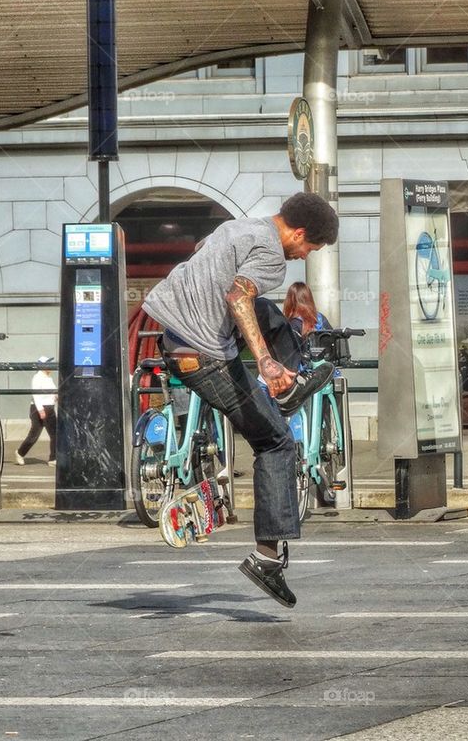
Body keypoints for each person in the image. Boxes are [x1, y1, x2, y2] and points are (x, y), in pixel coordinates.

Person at [143, 192, 338, 608]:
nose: (303, 257)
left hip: (176, 342)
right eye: (309, 248)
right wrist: (265, 362)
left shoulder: (238, 228)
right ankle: (267, 558)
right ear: (299, 232)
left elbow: (202, 256)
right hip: (205, 358)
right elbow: (236, 296)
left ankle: (291, 386)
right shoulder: (271, 254)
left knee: (269, 312)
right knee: (277, 443)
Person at [15, 356, 57, 466]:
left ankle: (53, 459)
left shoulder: (48, 377)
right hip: (39, 408)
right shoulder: (37, 378)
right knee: (34, 435)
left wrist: (55, 396)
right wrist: (40, 410)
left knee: (55, 434)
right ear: (42, 366)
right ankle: (20, 453)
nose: (51, 366)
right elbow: (36, 394)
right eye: (48, 364)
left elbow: (52, 391)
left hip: (50, 408)